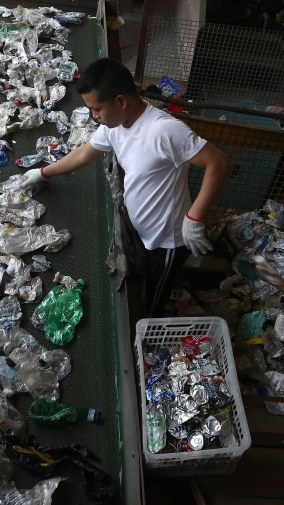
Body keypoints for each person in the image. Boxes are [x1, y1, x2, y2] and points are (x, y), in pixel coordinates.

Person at [16, 58, 231, 316]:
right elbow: (85, 153)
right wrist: (42, 173)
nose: (95, 117)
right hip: (141, 229)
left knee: (153, 296)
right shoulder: (115, 125)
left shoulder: (164, 131)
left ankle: (150, 327)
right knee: (141, 281)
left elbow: (219, 164)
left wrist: (193, 218)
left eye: (97, 109)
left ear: (121, 101)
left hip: (167, 241)